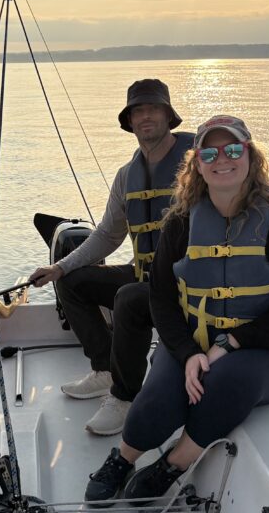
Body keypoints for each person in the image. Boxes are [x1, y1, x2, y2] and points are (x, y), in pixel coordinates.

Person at [84, 115, 269, 503]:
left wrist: (231, 342)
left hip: (268, 351)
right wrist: (188, 352)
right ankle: (122, 459)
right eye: (210, 151)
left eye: (233, 149)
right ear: (197, 163)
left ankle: (173, 463)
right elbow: (161, 297)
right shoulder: (180, 223)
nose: (222, 158)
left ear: (250, 156)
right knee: (157, 399)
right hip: (191, 341)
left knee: (225, 382)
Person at [29, 79, 194, 436]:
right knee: (74, 282)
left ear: (169, 115)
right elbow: (107, 235)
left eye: (153, 108)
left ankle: (124, 395)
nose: (146, 116)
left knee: (129, 298)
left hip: (190, 286)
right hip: (147, 277)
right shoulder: (126, 177)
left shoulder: (198, 164)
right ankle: (105, 370)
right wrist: (59, 267)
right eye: (138, 110)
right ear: (130, 121)